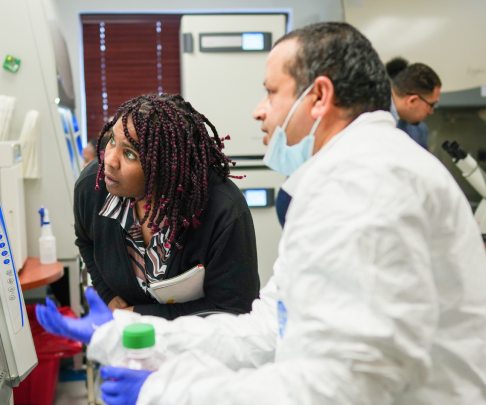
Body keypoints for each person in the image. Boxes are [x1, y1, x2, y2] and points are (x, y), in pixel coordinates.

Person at [37, 22, 486, 405]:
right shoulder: (343, 177)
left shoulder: (368, 183)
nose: (259, 110)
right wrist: (121, 332)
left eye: (271, 92)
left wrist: (169, 390)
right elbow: (268, 331)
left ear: (319, 96)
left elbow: (343, 385)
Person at [73, 93, 260, 319]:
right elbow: (86, 241)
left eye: (129, 154)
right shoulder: (93, 187)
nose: (109, 160)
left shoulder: (223, 211)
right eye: (112, 141)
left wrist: (140, 315)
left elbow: (233, 308)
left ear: (164, 169)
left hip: (200, 346)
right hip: (126, 341)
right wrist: (107, 294)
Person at [386, 57, 441, 150]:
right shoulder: (372, 118)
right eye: (431, 105)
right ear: (412, 100)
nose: (431, 111)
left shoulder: (420, 130)